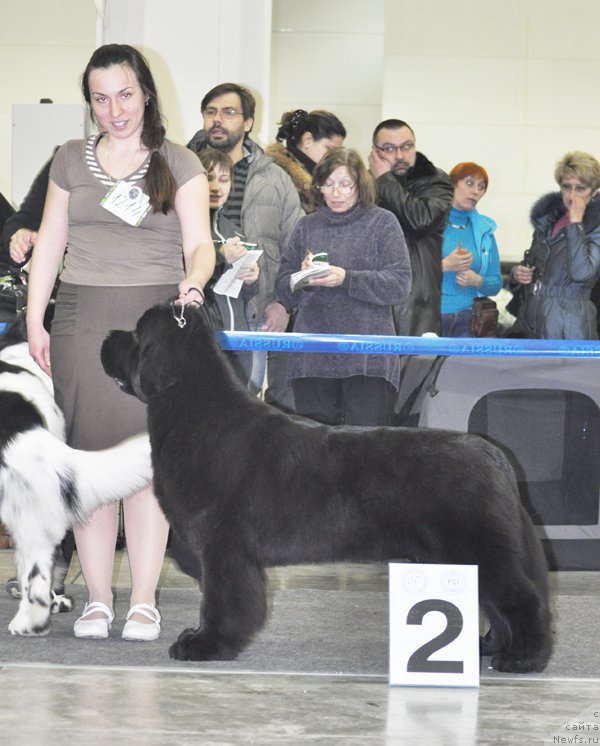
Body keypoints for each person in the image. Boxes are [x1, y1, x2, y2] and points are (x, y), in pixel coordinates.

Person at [25, 43, 215, 642]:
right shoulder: (67, 161)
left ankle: (144, 602)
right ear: (90, 103)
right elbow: (50, 246)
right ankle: (98, 600)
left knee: (149, 467)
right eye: (101, 99)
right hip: (81, 323)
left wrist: (194, 281)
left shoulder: (180, 161)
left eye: (125, 95)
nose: (115, 110)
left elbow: (200, 243)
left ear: (146, 93)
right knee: (91, 466)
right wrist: (35, 322)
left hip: (153, 327)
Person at [187, 83, 304, 410]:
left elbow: (296, 245)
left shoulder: (275, 179)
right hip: (194, 316)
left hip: (253, 315)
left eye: (228, 112)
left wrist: (283, 303)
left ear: (248, 122)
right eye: (210, 112)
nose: (217, 120)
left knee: (244, 414)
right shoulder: (180, 171)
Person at [275, 147, 411, 426]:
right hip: (312, 359)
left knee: (365, 452)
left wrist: (346, 278)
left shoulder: (383, 223)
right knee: (314, 453)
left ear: (360, 185)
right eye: (329, 184)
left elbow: (399, 285)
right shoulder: (306, 226)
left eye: (345, 184)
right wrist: (302, 279)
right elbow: (282, 289)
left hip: (368, 361)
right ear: (318, 187)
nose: (336, 193)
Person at [368, 119, 453, 336]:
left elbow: (420, 220)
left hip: (415, 306)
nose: (399, 155)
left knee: (415, 367)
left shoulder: (436, 181)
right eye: (389, 148)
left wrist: (384, 180)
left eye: (406, 146)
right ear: (375, 153)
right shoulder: (362, 184)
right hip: (370, 300)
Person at [507, 151, 600, 339]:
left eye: (580, 188)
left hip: (569, 328)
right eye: (566, 187)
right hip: (530, 322)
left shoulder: (595, 227)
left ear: (594, 192)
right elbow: (535, 266)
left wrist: (575, 225)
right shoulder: (547, 221)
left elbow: (582, 274)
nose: (572, 195)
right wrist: (517, 275)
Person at [198, 147, 259, 384]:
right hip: (204, 341)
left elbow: (244, 294)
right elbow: (184, 275)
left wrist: (252, 279)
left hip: (238, 339)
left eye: (224, 180)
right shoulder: (186, 227)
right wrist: (220, 255)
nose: (217, 186)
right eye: (209, 178)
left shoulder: (235, 231)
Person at [441, 162, 502, 336]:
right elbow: (410, 273)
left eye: (481, 187)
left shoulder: (485, 231)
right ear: (452, 184)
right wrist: (445, 265)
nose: (476, 191)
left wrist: (477, 281)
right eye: (469, 183)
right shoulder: (429, 222)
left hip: (469, 321)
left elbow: (496, 283)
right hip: (431, 316)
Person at [265, 109, 346, 211]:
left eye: (338, 152)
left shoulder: (320, 178)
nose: (335, 157)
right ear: (307, 140)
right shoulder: (275, 176)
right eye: (330, 149)